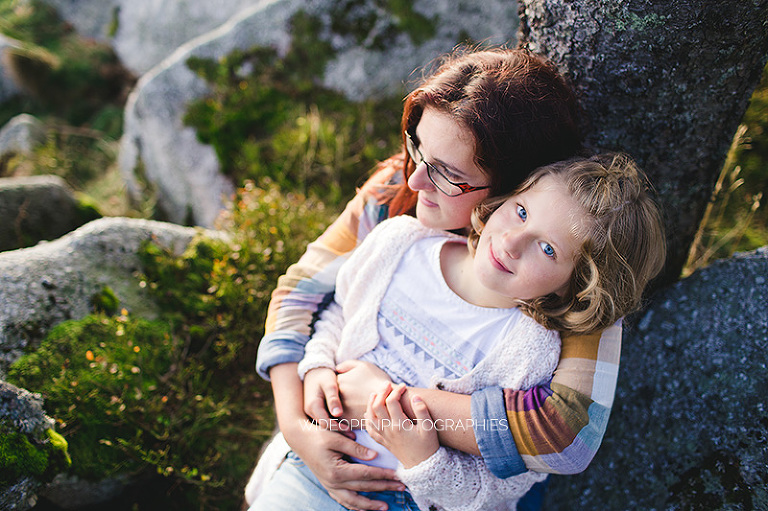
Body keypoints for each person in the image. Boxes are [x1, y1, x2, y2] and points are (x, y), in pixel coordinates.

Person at [249, 45, 623, 511]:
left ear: (515, 188)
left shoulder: (568, 267)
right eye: (416, 145)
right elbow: (302, 291)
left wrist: (385, 402)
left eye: (449, 175)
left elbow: (566, 435)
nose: (416, 182)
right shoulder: (397, 194)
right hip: (334, 446)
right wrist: (295, 424)